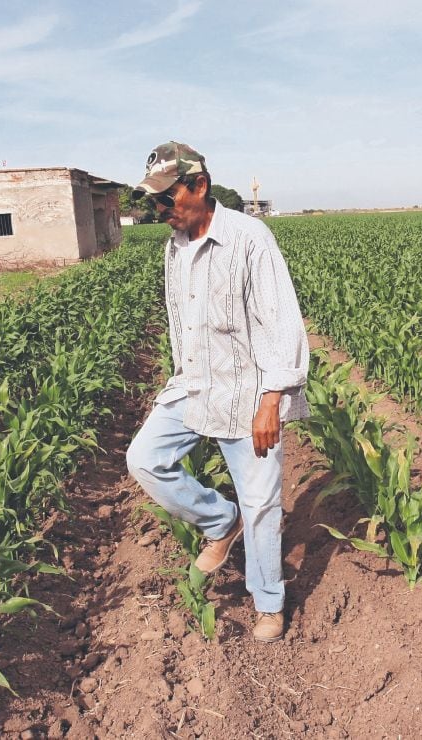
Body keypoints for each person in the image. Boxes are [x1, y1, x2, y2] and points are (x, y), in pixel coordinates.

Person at [125, 141, 308, 643]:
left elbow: (280, 323)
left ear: (199, 186)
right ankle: (219, 521)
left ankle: (269, 604)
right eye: (153, 200)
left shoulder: (250, 239)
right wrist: (177, 381)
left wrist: (273, 400)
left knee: (263, 504)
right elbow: (180, 323)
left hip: (249, 395)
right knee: (144, 459)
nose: (159, 209)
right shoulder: (175, 247)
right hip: (195, 384)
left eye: (167, 198)